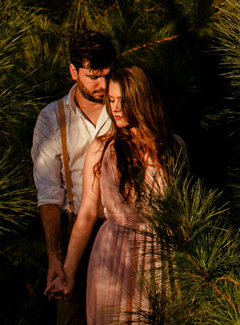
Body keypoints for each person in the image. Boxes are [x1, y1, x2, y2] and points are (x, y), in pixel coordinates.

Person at [56, 66, 188, 325]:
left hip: (159, 252)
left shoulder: (174, 147)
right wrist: (68, 272)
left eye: (122, 101)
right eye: (112, 100)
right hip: (113, 253)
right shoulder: (102, 148)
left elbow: (182, 212)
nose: (115, 108)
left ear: (141, 100)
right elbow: (87, 213)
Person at [32, 30, 116, 325]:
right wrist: (54, 256)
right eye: (93, 75)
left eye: (107, 74)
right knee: (71, 316)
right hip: (76, 231)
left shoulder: (125, 109)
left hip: (123, 231)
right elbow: (49, 194)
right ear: (73, 71)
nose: (102, 84)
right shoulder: (52, 118)